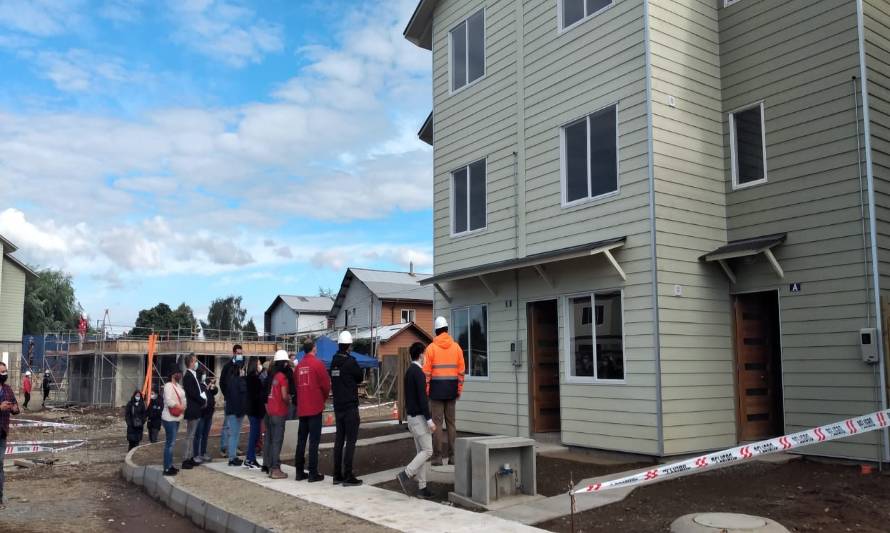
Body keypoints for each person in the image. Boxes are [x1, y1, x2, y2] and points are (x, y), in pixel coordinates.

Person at [423, 316, 465, 466]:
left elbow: (426, 374)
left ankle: (438, 457)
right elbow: (461, 372)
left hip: (436, 391)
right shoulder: (457, 348)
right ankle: (453, 457)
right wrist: (459, 390)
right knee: (451, 424)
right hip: (452, 390)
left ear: (436, 331)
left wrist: (427, 391)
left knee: (437, 424)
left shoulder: (431, 349)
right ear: (447, 330)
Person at [397, 342, 436, 498]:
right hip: (420, 418)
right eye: (424, 353)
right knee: (428, 451)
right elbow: (422, 399)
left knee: (421, 452)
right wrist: (429, 420)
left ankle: (422, 487)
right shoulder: (419, 373)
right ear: (420, 355)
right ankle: (406, 474)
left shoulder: (409, 372)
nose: (425, 356)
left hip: (411, 418)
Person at [295, 340, 331, 483]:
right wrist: (322, 398)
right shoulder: (318, 364)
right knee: (314, 442)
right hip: (315, 407)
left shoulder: (299, 367)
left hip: (302, 407)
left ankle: (299, 472)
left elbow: (296, 385)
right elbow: (326, 385)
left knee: (301, 441)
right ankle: (312, 473)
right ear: (314, 349)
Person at [330, 330, 363, 486]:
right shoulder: (351, 362)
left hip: (338, 406)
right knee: (350, 441)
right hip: (350, 406)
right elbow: (360, 377)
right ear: (349, 345)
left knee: (339, 440)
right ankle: (348, 474)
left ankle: (337, 475)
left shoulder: (333, 362)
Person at [263, 350, 292, 479]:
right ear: (284, 363)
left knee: (269, 439)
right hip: (279, 412)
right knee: (277, 441)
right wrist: (289, 400)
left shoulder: (272, 376)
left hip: (270, 412)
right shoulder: (282, 377)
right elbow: (284, 395)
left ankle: (270, 465)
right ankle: (275, 469)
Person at [0, 361, 22, 508]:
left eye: (5, 371)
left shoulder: (7, 389)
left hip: (2, 432)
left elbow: (16, 408)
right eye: (1, 372)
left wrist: (14, 407)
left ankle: (0, 498)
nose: (4, 374)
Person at [222, 349, 247, 467]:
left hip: (233, 409)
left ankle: (233, 456)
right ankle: (232, 458)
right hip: (236, 410)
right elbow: (240, 395)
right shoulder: (238, 381)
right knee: (234, 434)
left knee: (235, 434)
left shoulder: (232, 379)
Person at [181, 354, 206, 470]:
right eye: (195, 361)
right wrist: (202, 400)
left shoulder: (193, 375)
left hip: (195, 408)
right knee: (190, 435)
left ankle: (190, 457)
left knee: (192, 434)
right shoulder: (188, 376)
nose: (196, 363)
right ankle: (186, 458)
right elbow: (193, 393)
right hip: (192, 409)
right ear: (190, 362)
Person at [219, 344, 243, 457]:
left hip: (238, 401)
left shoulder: (241, 366)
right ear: (233, 353)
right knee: (227, 424)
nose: (240, 355)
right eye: (238, 353)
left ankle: (234, 446)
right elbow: (222, 382)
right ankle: (223, 447)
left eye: (241, 353)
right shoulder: (227, 366)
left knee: (237, 425)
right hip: (229, 399)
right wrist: (227, 395)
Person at [162, 371, 186, 476]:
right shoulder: (168, 385)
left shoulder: (178, 386)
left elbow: (183, 398)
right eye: (178, 373)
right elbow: (168, 400)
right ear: (173, 374)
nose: (180, 375)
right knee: (170, 444)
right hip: (169, 418)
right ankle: (167, 468)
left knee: (172, 443)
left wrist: (183, 407)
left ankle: (170, 465)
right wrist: (179, 406)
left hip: (176, 417)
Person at [244, 357, 266, 470]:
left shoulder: (251, 378)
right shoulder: (254, 379)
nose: (260, 365)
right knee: (254, 435)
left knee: (255, 435)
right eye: (258, 363)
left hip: (253, 410)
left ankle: (250, 458)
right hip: (255, 410)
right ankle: (250, 459)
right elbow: (258, 395)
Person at [194, 374, 218, 463]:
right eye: (202, 374)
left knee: (205, 435)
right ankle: (196, 454)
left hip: (209, 414)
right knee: (198, 435)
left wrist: (213, 386)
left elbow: (215, 391)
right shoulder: (198, 385)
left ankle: (203, 452)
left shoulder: (207, 383)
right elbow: (201, 395)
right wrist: (207, 387)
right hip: (201, 414)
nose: (204, 376)